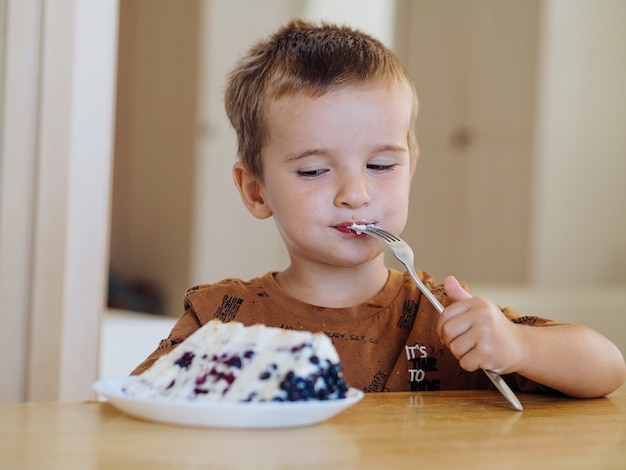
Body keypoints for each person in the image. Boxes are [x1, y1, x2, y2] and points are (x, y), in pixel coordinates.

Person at [132, 20, 626, 398]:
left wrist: (519, 347)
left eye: (382, 165)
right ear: (255, 191)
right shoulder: (220, 318)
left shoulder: (442, 321)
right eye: (313, 171)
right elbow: (139, 405)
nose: (356, 193)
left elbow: (607, 367)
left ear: (411, 166)